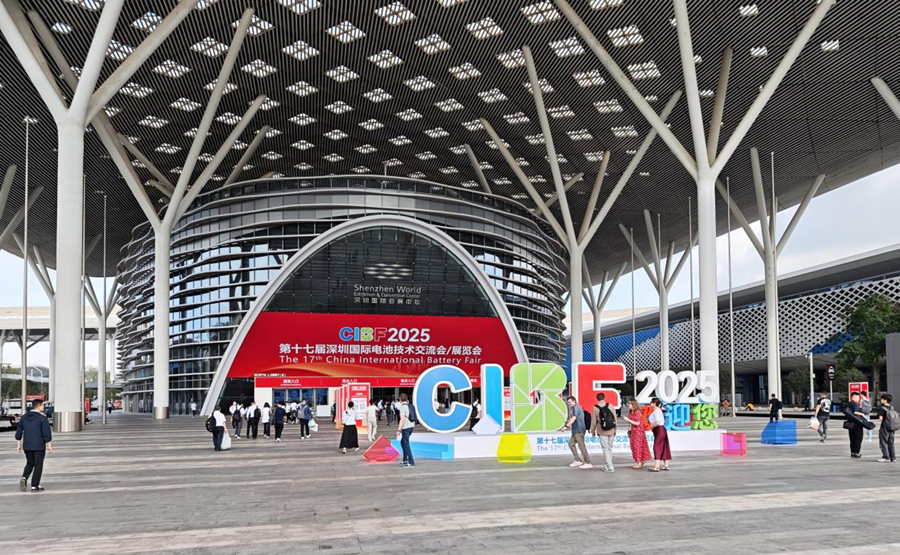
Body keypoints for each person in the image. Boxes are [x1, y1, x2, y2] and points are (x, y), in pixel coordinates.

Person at [15, 398, 52, 492]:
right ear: (39, 406)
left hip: (27, 445)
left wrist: (19, 445)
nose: (43, 407)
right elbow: (46, 433)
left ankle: (24, 477)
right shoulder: (42, 418)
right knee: (38, 465)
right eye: (43, 405)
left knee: (30, 463)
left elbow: (19, 432)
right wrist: (49, 445)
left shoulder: (24, 417)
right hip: (39, 446)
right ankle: (34, 486)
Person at [562, 396, 591, 469]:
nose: (568, 404)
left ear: (574, 401)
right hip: (575, 430)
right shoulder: (573, 408)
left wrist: (566, 426)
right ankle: (577, 460)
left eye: (569, 402)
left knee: (581, 446)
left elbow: (574, 418)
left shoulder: (576, 407)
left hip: (579, 430)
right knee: (571, 444)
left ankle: (588, 462)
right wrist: (568, 422)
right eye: (568, 403)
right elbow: (573, 419)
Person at [590, 393, 617, 472]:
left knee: (605, 449)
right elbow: (615, 418)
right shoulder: (610, 406)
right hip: (611, 429)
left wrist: (592, 431)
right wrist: (615, 429)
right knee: (610, 448)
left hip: (602, 430)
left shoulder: (595, 408)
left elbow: (593, 421)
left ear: (597, 398)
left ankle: (610, 466)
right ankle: (608, 465)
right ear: (604, 398)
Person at [623, 399, 652, 469]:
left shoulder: (637, 412)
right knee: (634, 446)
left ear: (633, 404)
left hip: (638, 431)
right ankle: (640, 461)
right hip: (633, 431)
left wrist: (627, 419)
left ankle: (639, 462)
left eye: (629, 403)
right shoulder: (631, 412)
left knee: (637, 446)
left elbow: (637, 423)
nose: (628, 405)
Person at [648, 398, 671, 472]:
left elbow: (657, 422)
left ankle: (657, 466)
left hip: (659, 430)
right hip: (661, 430)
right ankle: (666, 465)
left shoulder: (656, 411)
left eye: (652, 402)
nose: (650, 403)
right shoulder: (657, 410)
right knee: (664, 446)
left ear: (655, 404)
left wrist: (651, 426)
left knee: (657, 447)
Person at [845, 391, 866, 458]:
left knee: (852, 438)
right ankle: (857, 452)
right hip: (857, 424)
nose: (858, 399)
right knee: (858, 438)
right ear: (854, 397)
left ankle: (853, 452)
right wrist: (862, 414)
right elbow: (856, 412)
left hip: (850, 424)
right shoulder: (854, 404)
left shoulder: (848, 404)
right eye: (858, 397)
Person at [397, 393, 415, 467]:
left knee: (406, 444)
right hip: (411, 426)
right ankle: (405, 460)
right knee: (403, 442)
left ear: (400, 399)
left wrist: (398, 430)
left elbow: (402, 420)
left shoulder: (403, 407)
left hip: (406, 428)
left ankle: (411, 462)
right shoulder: (410, 405)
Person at [877, 394, 896, 463]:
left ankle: (886, 457)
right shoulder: (892, 407)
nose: (881, 400)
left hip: (884, 427)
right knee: (891, 443)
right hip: (891, 427)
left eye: (882, 399)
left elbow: (881, 418)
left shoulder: (882, 408)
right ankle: (893, 458)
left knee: (883, 442)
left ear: (885, 400)